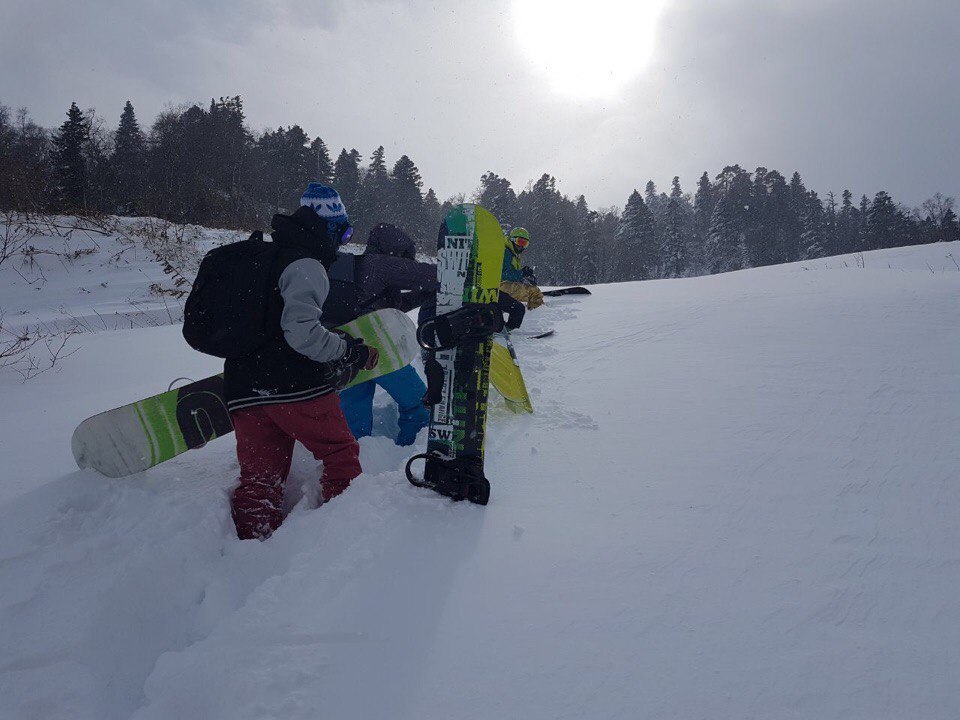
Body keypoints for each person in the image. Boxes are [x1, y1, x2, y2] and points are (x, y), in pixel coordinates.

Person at [224, 183, 378, 540]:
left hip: (244, 389)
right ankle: (340, 540)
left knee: (260, 481)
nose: (343, 240)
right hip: (295, 387)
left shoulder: (264, 257)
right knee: (340, 454)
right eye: (344, 231)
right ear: (328, 228)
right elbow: (302, 334)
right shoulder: (306, 264)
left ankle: (249, 554)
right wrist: (348, 351)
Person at [332, 223, 436, 446]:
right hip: (379, 350)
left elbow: (385, 308)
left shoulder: (361, 267)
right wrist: (459, 272)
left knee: (353, 417)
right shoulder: (380, 265)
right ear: (396, 251)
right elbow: (431, 275)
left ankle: (357, 462)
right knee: (418, 404)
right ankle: (409, 449)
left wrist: (423, 297)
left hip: (351, 352)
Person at [500, 227, 544, 310]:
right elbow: (502, 274)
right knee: (534, 293)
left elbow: (512, 274)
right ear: (512, 240)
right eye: (519, 242)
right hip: (498, 287)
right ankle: (535, 314)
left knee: (533, 290)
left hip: (501, 286)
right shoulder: (505, 252)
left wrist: (525, 277)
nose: (521, 246)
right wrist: (522, 273)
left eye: (525, 244)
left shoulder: (512, 253)